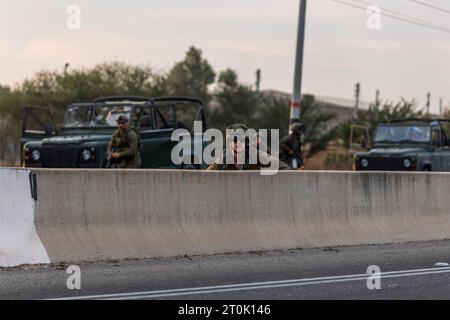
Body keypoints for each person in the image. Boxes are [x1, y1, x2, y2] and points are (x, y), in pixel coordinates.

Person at [207, 124, 290, 171]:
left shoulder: (255, 155)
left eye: (242, 139)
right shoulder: (223, 158)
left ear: (247, 143)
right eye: (235, 139)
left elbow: (281, 166)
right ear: (229, 143)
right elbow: (206, 175)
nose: (238, 143)